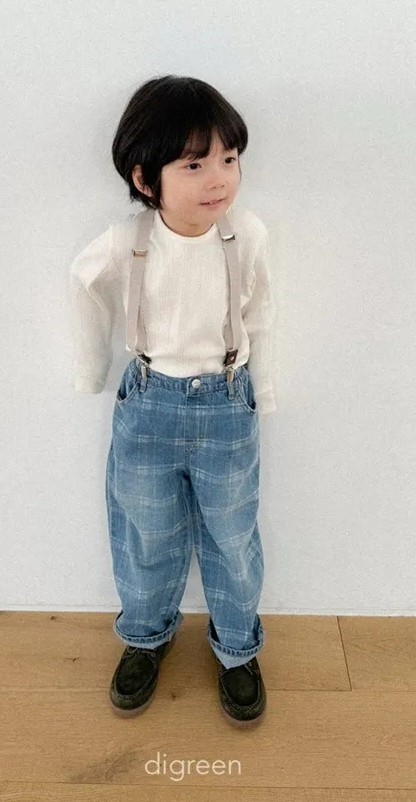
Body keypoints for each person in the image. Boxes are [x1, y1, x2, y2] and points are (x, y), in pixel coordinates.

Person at [69, 75, 276, 727]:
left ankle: (237, 647)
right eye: (194, 165)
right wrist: (90, 370)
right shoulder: (127, 241)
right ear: (145, 176)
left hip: (226, 404)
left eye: (229, 159)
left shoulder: (246, 235)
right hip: (147, 404)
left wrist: (265, 387)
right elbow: (82, 282)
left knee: (231, 534)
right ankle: (145, 636)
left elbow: (262, 314)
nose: (218, 179)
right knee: (146, 531)